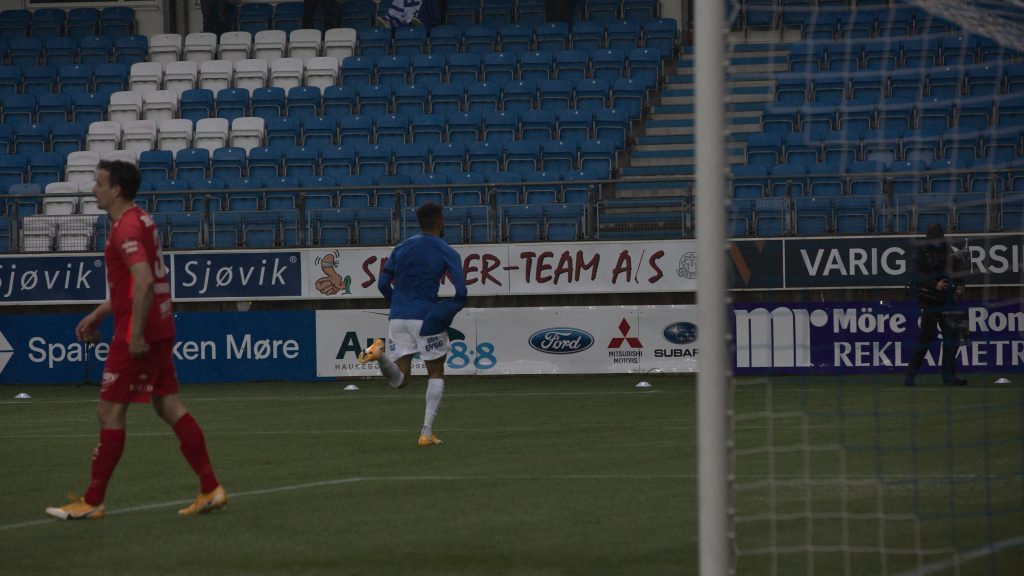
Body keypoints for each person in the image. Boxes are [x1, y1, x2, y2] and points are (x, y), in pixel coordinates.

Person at [46, 160, 226, 520]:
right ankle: (211, 488)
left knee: (109, 412)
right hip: (160, 325)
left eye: (99, 184)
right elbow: (133, 284)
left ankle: (92, 501)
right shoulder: (140, 219)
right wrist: (101, 313)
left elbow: (142, 280)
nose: (93, 189)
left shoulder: (126, 227)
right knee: (168, 405)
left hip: (139, 332)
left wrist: (136, 334)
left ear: (116, 190)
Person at [358, 202, 467, 446]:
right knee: (435, 372)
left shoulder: (401, 248)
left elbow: (382, 284)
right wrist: (449, 309)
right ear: (440, 222)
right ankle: (426, 432)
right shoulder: (447, 250)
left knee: (401, 380)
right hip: (427, 317)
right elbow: (461, 292)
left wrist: (398, 303)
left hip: (398, 316)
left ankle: (379, 355)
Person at [904, 223, 967, 387]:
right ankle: (910, 374)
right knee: (927, 335)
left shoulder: (948, 250)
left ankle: (949, 376)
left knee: (951, 337)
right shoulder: (920, 252)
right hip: (928, 299)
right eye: (935, 239)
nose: (938, 241)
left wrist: (960, 284)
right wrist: (934, 284)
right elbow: (915, 275)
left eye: (940, 238)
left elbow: (956, 270)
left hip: (946, 299)